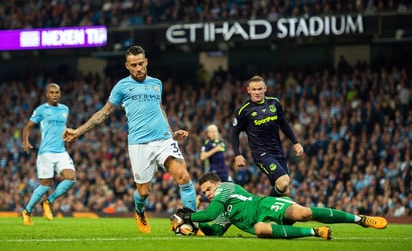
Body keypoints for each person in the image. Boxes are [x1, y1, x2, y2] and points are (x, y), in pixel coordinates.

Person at [63, 45, 197, 234]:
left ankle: (192, 222)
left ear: (146, 62)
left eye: (141, 63)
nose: (138, 68)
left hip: (163, 140)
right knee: (143, 192)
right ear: (127, 66)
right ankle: (139, 211)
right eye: (133, 65)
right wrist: (78, 131)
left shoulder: (156, 83)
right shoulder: (121, 87)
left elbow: (159, 110)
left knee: (183, 175)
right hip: (139, 144)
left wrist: (172, 133)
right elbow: (104, 113)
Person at [171, 173, 388, 239]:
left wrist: (188, 217)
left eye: (208, 189)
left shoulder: (226, 188)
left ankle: (360, 219)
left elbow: (209, 214)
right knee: (259, 230)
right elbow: (215, 229)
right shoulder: (222, 210)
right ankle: (315, 232)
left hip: (266, 205)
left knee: (303, 212)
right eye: (205, 192)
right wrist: (197, 230)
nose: (208, 194)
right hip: (261, 221)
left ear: (217, 184)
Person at [231, 75, 304, 197]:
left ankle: (273, 215)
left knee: (285, 191)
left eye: (260, 89)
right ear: (248, 90)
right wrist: (237, 154)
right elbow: (234, 133)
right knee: (284, 181)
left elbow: (283, 123)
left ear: (265, 88)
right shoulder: (244, 111)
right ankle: (263, 206)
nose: (257, 92)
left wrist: (295, 142)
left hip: (278, 151)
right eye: (254, 90)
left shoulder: (274, 103)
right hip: (261, 154)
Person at [21, 83, 76, 225]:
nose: (55, 94)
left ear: (60, 93)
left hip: (61, 151)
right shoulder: (41, 110)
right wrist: (25, 141)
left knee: (71, 178)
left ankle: (48, 202)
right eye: (52, 92)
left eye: (57, 92)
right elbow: (28, 127)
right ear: (47, 94)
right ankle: (27, 211)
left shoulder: (65, 109)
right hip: (46, 153)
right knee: (45, 185)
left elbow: (60, 127)